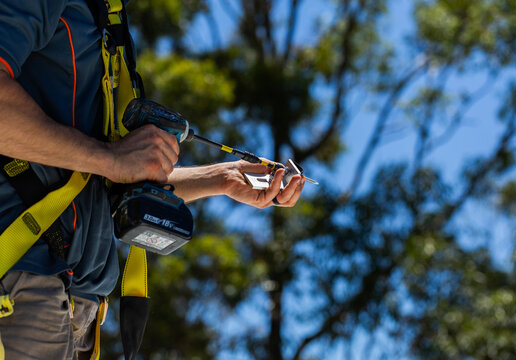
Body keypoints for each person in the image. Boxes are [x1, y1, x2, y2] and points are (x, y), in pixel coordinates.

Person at [0, 0, 305, 358]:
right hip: (23, 281)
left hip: (79, 308)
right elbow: (108, 163)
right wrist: (111, 159)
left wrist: (222, 177)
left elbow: (100, 178)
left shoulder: (109, 17)